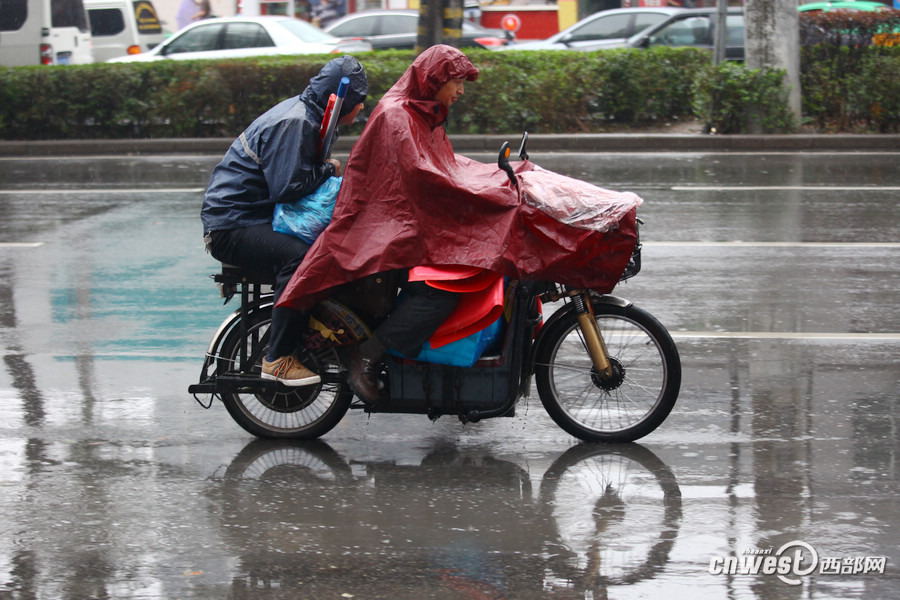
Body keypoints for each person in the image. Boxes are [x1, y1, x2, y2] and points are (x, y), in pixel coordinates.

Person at [277, 45, 638, 403]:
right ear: (434, 79)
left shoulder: (421, 112)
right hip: (387, 233)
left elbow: (446, 168)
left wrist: (493, 180)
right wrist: (489, 195)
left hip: (411, 224)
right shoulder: (397, 116)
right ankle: (369, 355)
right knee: (441, 290)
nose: (461, 91)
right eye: (457, 81)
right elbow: (428, 180)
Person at [201, 56, 368, 386]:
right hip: (233, 223)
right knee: (301, 258)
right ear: (342, 100)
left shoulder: (311, 115)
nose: (361, 110)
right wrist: (330, 170)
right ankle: (277, 358)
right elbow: (288, 187)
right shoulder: (297, 122)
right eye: (359, 103)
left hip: (254, 216)